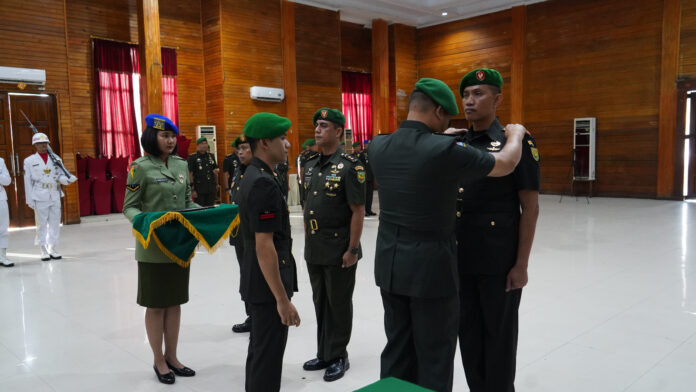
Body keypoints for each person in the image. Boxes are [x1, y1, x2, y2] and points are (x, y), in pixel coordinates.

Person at [368, 78, 529, 392]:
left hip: (389, 267)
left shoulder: (378, 145)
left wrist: (439, 136)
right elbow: (506, 163)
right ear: (439, 111)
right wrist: (517, 134)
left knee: (397, 350)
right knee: (435, 357)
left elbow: (415, 152)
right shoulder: (445, 150)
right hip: (432, 272)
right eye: (447, 117)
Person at [456, 68, 540, 392]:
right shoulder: (457, 142)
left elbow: (530, 208)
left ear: (498, 98)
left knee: (500, 339)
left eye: (478, 93)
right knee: (469, 336)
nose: (469, 101)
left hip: (498, 263)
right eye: (466, 95)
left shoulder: (513, 141)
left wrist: (521, 265)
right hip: (462, 260)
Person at [123, 114, 199, 385]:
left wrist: (212, 215)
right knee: (156, 305)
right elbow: (129, 206)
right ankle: (158, 360)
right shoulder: (139, 168)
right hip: (153, 246)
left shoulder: (180, 164)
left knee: (175, 303)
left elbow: (188, 202)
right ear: (151, 138)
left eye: (172, 136)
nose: (169, 140)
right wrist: (144, 223)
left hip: (179, 245)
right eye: (164, 136)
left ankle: (173, 357)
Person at [301, 108, 366, 382]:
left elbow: (358, 211)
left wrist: (352, 249)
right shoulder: (312, 163)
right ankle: (324, 352)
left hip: (340, 249)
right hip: (315, 248)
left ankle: (339, 355)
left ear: (338, 132)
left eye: (324, 126)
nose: (317, 130)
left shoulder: (351, 165)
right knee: (320, 302)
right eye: (316, 125)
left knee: (338, 303)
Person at [238, 112, 300, 392]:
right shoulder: (262, 181)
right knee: (267, 358)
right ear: (264, 142)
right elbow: (265, 245)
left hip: (259, 280)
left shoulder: (256, 174)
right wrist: (282, 299)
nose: (287, 144)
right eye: (282, 138)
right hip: (267, 285)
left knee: (261, 352)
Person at [23, 132, 77, 261]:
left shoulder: (56, 159)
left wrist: (68, 180)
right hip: (39, 194)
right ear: (35, 145)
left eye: (45, 143)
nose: (43, 145)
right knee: (41, 224)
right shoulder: (29, 161)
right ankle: (43, 249)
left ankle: (52, 248)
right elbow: (28, 181)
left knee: (54, 223)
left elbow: (59, 176)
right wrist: (30, 199)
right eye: (40, 143)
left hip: (54, 193)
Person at [229, 135, 253, 333]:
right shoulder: (239, 169)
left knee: (256, 275)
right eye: (239, 149)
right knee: (245, 275)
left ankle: (261, 315)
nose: (240, 152)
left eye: (245, 148)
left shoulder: (259, 172)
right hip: (239, 233)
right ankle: (251, 315)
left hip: (254, 234)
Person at [188, 136, 219, 206]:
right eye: (202, 143)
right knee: (200, 209)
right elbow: (190, 174)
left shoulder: (211, 156)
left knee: (211, 208)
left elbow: (215, 171)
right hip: (199, 189)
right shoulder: (193, 157)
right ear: (198, 146)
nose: (204, 145)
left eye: (205, 143)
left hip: (211, 188)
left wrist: (217, 184)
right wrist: (192, 190)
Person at [353, 140, 376, 216]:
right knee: (364, 195)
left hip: (370, 177)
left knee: (370, 195)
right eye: (367, 144)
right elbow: (359, 167)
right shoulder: (361, 154)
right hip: (363, 177)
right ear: (365, 145)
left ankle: (369, 210)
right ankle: (364, 211)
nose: (368, 145)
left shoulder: (371, 153)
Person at [297, 138, 319, 208]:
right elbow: (302, 169)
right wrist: (302, 180)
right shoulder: (304, 156)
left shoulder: (318, 155)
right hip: (307, 178)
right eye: (315, 145)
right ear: (311, 146)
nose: (317, 147)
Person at [0, 157, 12, 267]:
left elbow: (7, 181)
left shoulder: (0, 161)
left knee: (3, 228)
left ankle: (2, 256)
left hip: (0, 198)